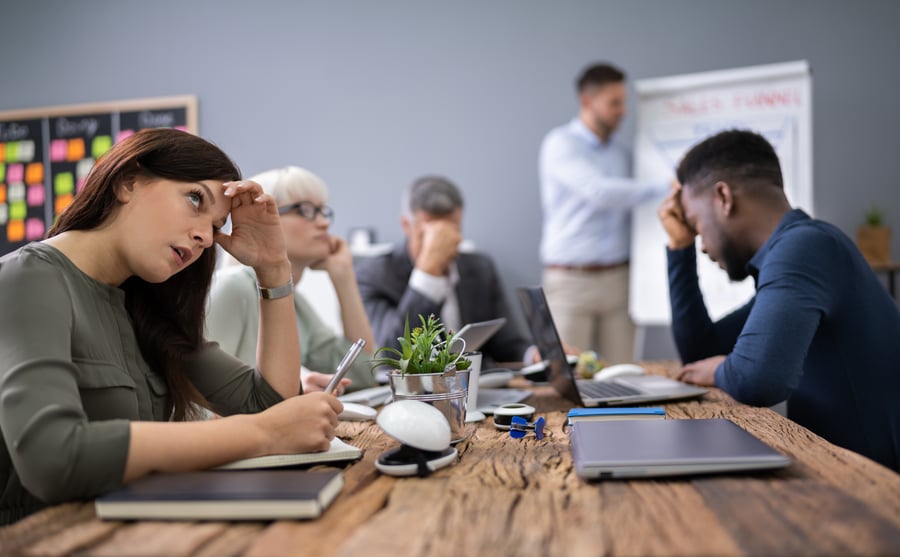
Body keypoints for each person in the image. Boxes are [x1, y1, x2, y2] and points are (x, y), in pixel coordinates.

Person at [0, 129, 343, 524]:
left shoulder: (145, 303)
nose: (203, 238)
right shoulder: (28, 278)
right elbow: (52, 457)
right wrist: (262, 433)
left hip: (132, 545)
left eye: (215, 228)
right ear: (127, 181)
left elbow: (274, 406)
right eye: (195, 199)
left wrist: (273, 268)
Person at [658, 129, 900, 471]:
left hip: (880, 488)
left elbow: (758, 380)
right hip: (839, 471)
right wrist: (679, 247)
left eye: (696, 226)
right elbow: (700, 352)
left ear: (723, 197)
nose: (702, 245)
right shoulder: (796, 254)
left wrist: (718, 368)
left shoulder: (805, 248)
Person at [539, 62, 669, 364]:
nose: (623, 110)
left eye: (623, 102)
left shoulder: (622, 154)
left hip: (619, 280)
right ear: (587, 101)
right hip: (571, 281)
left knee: (622, 376)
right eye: (614, 103)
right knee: (565, 375)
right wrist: (666, 187)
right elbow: (599, 192)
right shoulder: (560, 144)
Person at [206, 166, 376, 393]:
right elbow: (199, 398)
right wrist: (294, 389)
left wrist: (344, 277)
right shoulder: (231, 287)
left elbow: (364, 373)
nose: (324, 223)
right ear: (262, 218)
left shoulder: (295, 303)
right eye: (305, 210)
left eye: (322, 210)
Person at [355, 175, 533, 366]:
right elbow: (393, 355)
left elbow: (507, 344)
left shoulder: (480, 268)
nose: (441, 242)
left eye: (450, 231)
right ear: (407, 225)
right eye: (429, 233)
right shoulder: (374, 276)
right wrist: (429, 272)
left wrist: (532, 354)